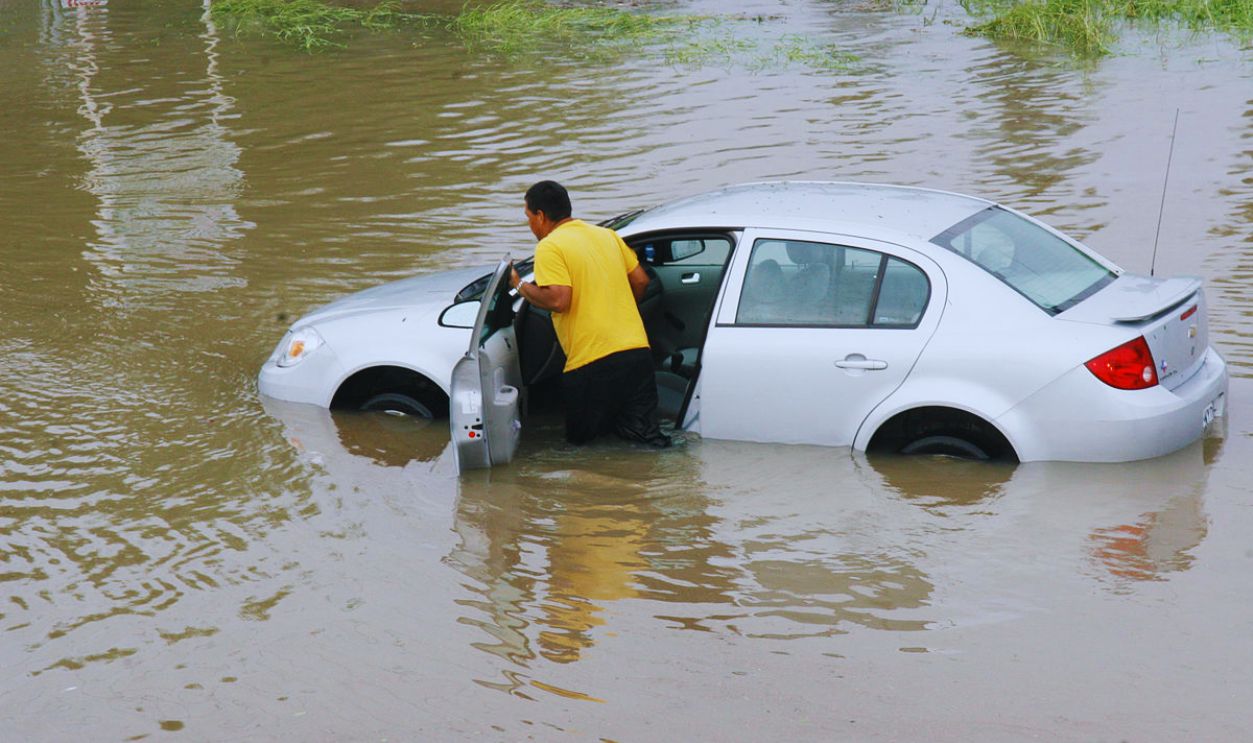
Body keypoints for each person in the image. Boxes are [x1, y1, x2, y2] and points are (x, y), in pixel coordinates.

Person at [509, 180, 670, 448]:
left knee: (585, 450)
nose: (530, 225)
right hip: (636, 353)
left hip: (592, 362)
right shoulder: (607, 236)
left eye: (528, 217)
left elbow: (559, 300)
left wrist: (519, 284)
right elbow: (641, 281)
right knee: (646, 440)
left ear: (541, 216)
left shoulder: (551, 246)